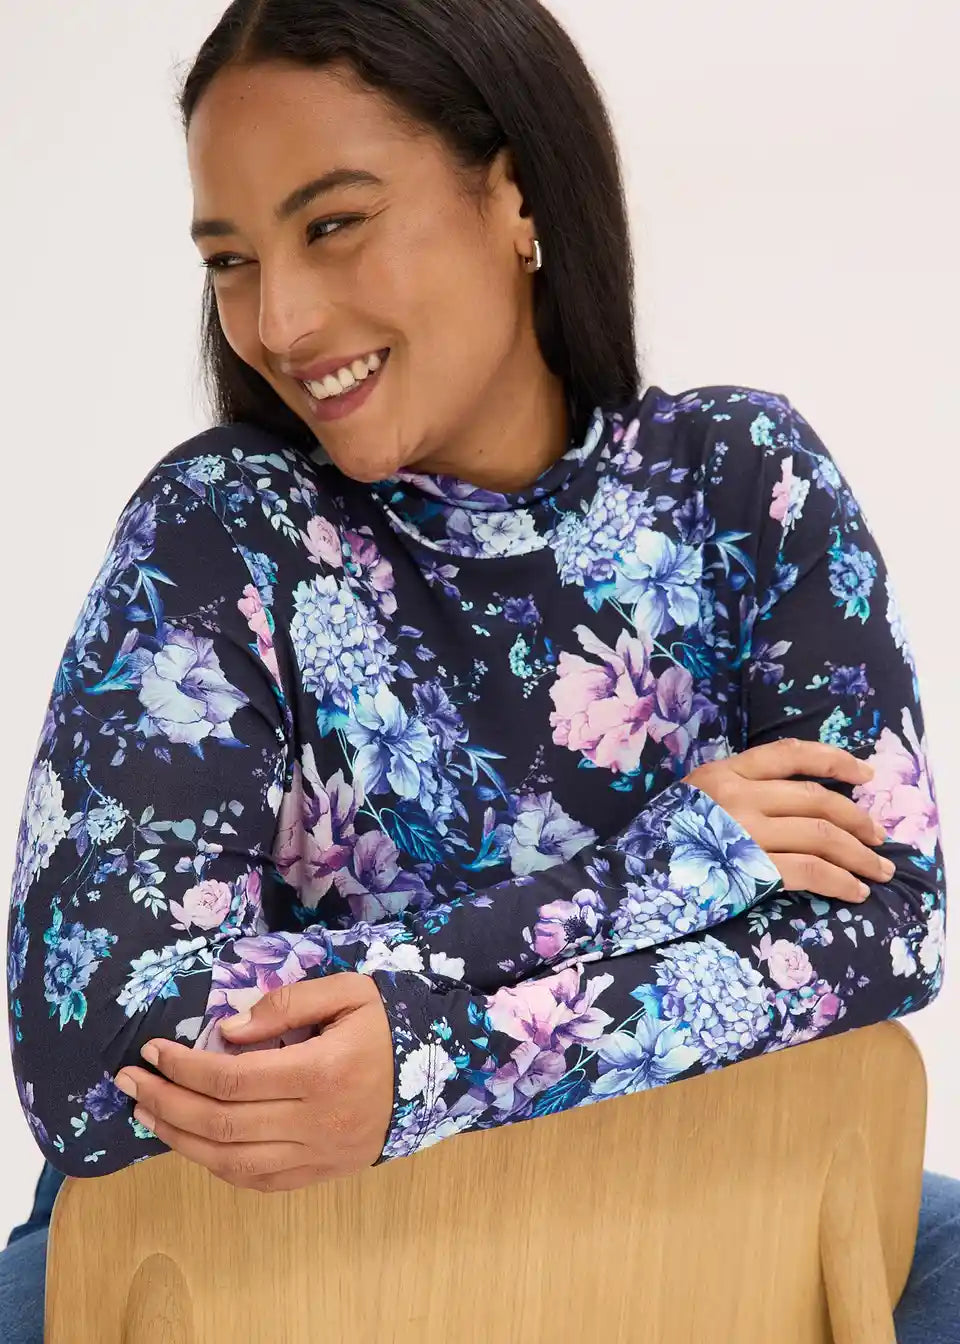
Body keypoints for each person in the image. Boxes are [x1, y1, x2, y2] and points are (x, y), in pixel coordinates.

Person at [2, 0, 953, 1338]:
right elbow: (98, 1048)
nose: (279, 318)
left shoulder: (744, 482)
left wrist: (429, 1061)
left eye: (334, 223)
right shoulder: (220, 533)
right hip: (270, 1262)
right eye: (231, 260)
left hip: (686, 1216)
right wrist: (664, 872)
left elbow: (888, 922)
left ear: (516, 195)